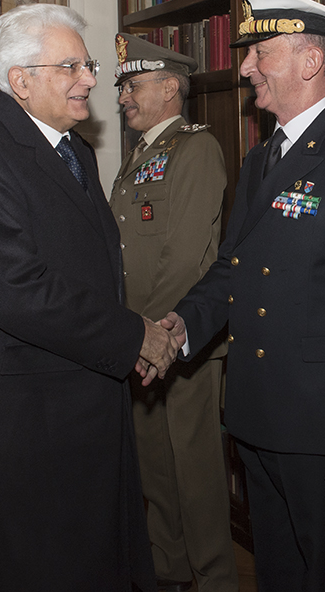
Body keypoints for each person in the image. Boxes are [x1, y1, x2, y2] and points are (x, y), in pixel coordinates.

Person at [162, 0, 325, 592]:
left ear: (311, 62)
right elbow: (232, 268)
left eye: (261, 51)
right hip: (255, 411)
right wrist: (179, 328)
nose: (246, 66)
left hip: (324, 421)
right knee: (277, 569)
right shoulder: (261, 160)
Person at [0, 3, 173, 592]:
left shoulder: (74, 151)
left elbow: (90, 271)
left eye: (86, 65)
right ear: (21, 81)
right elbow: (19, 291)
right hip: (29, 421)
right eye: (72, 67)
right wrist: (134, 334)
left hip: (86, 398)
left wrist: (128, 335)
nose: (91, 78)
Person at [110, 34, 236, 592]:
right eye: (123, 88)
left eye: (132, 86)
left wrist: (153, 337)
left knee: (197, 475)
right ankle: (169, 572)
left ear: (169, 87)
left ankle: (212, 579)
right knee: (155, 471)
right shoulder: (138, 155)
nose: (122, 99)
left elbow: (185, 258)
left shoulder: (195, 148)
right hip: (138, 344)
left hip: (178, 341)